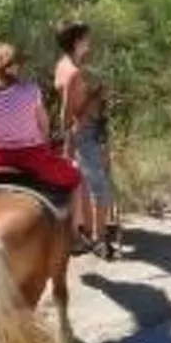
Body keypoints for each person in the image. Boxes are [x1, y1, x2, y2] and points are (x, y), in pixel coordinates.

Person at [0, 43, 84, 242]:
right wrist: (44, 141)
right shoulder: (31, 91)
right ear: (11, 68)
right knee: (75, 178)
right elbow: (44, 126)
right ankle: (76, 232)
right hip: (32, 154)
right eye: (16, 64)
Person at [54, 20, 118, 260]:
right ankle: (99, 239)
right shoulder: (73, 72)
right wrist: (95, 96)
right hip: (86, 132)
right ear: (76, 41)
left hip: (83, 131)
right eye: (85, 38)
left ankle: (89, 232)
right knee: (100, 188)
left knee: (85, 185)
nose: (89, 42)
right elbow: (67, 111)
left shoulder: (63, 65)